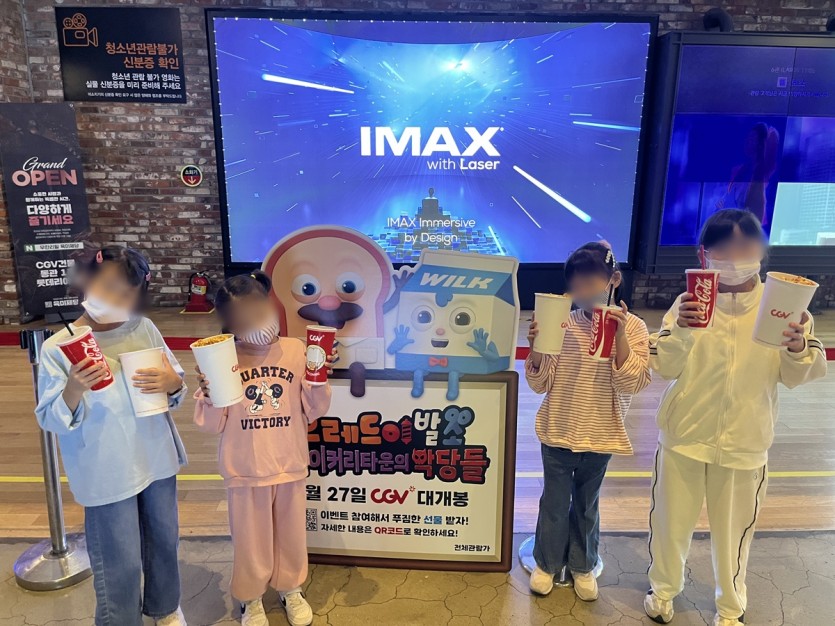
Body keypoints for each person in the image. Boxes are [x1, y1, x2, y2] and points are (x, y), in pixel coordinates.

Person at [645, 209, 827, 626]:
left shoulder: (783, 305)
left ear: (761, 251)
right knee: (670, 524)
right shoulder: (687, 304)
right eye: (723, 249)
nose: (734, 258)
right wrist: (683, 329)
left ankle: (730, 608)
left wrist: (797, 348)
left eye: (745, 247)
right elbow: (666, 366)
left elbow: (800, 374)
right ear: (704, 254)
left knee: (734, 535)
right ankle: (663, 591)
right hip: (684, 434)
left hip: (746, 440)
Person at [35, 246, 189, 626]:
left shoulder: (143, 328)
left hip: (155, 457)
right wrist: (74, 388)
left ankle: (166, 608)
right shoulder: (58, 348)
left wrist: (172, 383)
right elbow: (50, 418)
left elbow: (176, 384)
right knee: (120, 559)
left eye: (126, 295)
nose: (116, 300)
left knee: (163, 540)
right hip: (105, 470)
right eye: (108, 288)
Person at [193, 272, 335, 626]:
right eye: (245, 320)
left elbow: (315, 410)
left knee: (290, 535)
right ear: (230, 325)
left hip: (289, 462)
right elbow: (212, 424)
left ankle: (291, 589)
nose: (257, 324)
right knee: (250, 541)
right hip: (245, 469)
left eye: (260, 312)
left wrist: (318, 377)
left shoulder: (296, 350)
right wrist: (209, 395)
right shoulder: (223, 356)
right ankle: (250, 598)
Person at [526, 243, 651, 601]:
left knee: (586, 503)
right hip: (558, 429)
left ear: (614, 280)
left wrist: (620, 335)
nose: (582, 291)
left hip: (601, 434)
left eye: (590, 282)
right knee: (553, 502)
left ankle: (583, 565)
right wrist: (537, 347)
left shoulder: (636, 327)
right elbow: (540, 383)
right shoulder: (562, 322)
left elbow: (633, 383)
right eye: (576, 284)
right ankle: (547, 563)